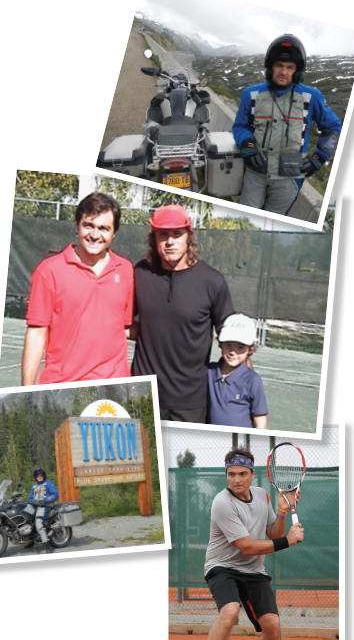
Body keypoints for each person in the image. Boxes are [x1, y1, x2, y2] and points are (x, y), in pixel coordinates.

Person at [131, 204, 234, 422]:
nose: (170, 242)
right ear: (154, 239)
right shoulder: (139, 273)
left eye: (177, 234)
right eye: (163, 235)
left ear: (189, 236)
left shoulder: (212, 281)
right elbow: (118, 322)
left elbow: (232, 339)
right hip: (142, 396)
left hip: (191, 402)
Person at [21, 192, 134, 385]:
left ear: (114, 233)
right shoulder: (49, 270)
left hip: (115, 388)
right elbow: (37, 333)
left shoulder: (125, 270)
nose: (95, 235)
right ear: (77, 227)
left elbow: (123, 328)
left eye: (104, 228)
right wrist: (26, 391)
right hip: (62, 387)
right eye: (88, 226)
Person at [232, 34, 342, 215]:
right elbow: (240, 126)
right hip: (256, 172)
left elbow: (333, 128)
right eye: (279, 65)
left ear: (297, 72)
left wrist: (320, 157)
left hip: (290, 178)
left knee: (273, 221)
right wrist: (247, 143)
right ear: (270, 67)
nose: (283, 72)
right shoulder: (250, 94)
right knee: (246, 215)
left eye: (290, 67)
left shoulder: (312, 96)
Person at [204, 448, 304, 640]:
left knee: (272, 625)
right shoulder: (222, 502)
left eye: (242, 474)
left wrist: (282, 512)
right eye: (231, 475)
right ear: (226, 475)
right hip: (222, 567)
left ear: (252, 474)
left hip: (254, 571)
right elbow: (247, 547)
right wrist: (288, 541)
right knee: (230, 611)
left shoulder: (262, 495)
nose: (237, 480)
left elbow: (274, 533)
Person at [207, 313, 268, 429]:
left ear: (250, 349)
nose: (233, 352)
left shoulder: (253, 380)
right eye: (229, 345)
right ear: (220, 344)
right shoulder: (209, 372)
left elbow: (260, 419)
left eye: (240, 347)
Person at [26, 466, 59, 554]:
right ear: (35, 477)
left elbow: (55, 495)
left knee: (38, 523)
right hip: (36, 506)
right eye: (37, 475)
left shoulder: (48, 483)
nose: (39, 477)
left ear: (44, 475)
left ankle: (47, 545)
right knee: (26, 520)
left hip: (45, 506)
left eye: (41, 475)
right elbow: (30, 498)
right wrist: (33, 502)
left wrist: (44, 501)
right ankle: (31, 541)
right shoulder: (34, 487)